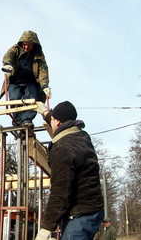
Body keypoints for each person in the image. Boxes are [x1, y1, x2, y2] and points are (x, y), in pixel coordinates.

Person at [35, 101, 104, 240]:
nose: (51, 122)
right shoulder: (81, 136)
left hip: (80, 215)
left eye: (53, 119)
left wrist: (46, 228)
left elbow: (60, 192)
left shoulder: (63, 149)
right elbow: (60, 122)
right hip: (93, 210)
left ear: (58, 122)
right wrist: (45, 112)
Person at [0, 30, 51, 127]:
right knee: (15, 99)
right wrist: (8, 64)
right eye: (24, 44)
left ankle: (27, 120)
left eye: (29, 45)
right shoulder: (16, 49)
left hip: (30, 81)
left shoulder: (38, 55)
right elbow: (8, 55)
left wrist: (44, 85)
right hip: (15, 81)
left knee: (31, 99)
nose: (26, 47)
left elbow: (43, 70)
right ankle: (17, 121)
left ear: (34, 45)